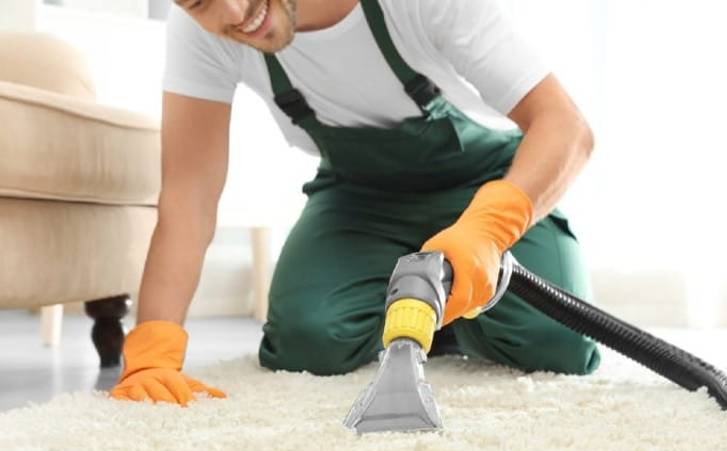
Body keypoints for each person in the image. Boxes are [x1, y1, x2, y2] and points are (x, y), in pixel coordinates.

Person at [109, 0, 600, 406]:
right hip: (359, 199)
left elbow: (565, 126)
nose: (237, 12)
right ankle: (420, 308)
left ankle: (441, 318)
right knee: (306, 341)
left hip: (481, 186)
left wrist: (490, 231)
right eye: (200, 2)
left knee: (557, 344)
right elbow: (188, 194)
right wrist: (154, 346)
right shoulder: (201, 34)